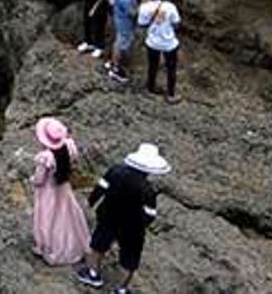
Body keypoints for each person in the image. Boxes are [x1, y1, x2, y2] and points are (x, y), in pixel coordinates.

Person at [74, 143, 171, 294]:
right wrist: (141, 226)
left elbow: (100, 187)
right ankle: (121, 289)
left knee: (98, 245)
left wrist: (91, 202)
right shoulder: (147, 189)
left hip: (108, 216)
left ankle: (93, 274)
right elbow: (150, 214)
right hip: (132, 228)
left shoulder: (115, 171)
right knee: (130, 259)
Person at [30, 117, 90, 266]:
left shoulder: (47, 158)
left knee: (48, 219)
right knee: (66, 217)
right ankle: (73, 246)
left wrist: (32, 180)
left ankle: (49, 248)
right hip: (63, 187)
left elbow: (39, 179)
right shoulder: (68, 147)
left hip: (49, 190)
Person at [138, 0, 182, 103]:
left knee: (153, 66)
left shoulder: (144, 7)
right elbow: (177, 23)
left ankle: (151, 88)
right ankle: (171, 94)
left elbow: (141, 24)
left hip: (152, 42)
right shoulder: (170, 6)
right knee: (171, 69)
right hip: (169, 43)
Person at [106, 0, 138, 82]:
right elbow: (133, 14)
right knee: (120, 44)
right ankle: (115, 69)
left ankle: (111, 62)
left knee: (117, 41)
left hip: (118, 17)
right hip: (125, 23)